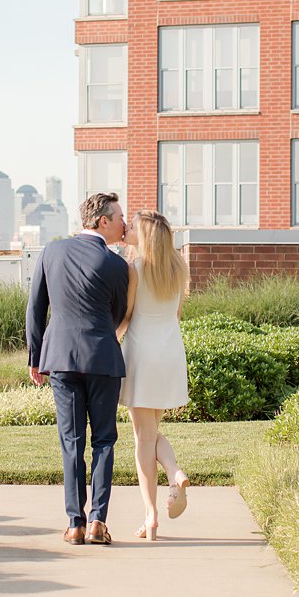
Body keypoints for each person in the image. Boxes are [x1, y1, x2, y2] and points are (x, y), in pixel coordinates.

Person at [25, 191, 130, 546]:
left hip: (61, 360)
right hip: (103, 357)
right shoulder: (117, 265)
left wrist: (35, 357)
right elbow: (116, 315)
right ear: (103, 221)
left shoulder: (50, 252)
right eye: (119, 217)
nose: (123, 223)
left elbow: (35, 308)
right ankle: (99, 520)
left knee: (72, 441)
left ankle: (74, 523)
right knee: (104, 440)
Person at [117, 209, 191, 541]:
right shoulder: (179, 268)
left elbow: (129, 315)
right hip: (169, 355)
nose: (127, 229)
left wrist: (110, 337)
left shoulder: (134, 269)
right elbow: (175, 314)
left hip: (141, 357)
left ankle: (150, 515)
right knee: (151, 433)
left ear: (145, 235)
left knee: (143, 439)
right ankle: (174, 471)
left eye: (132, 227)